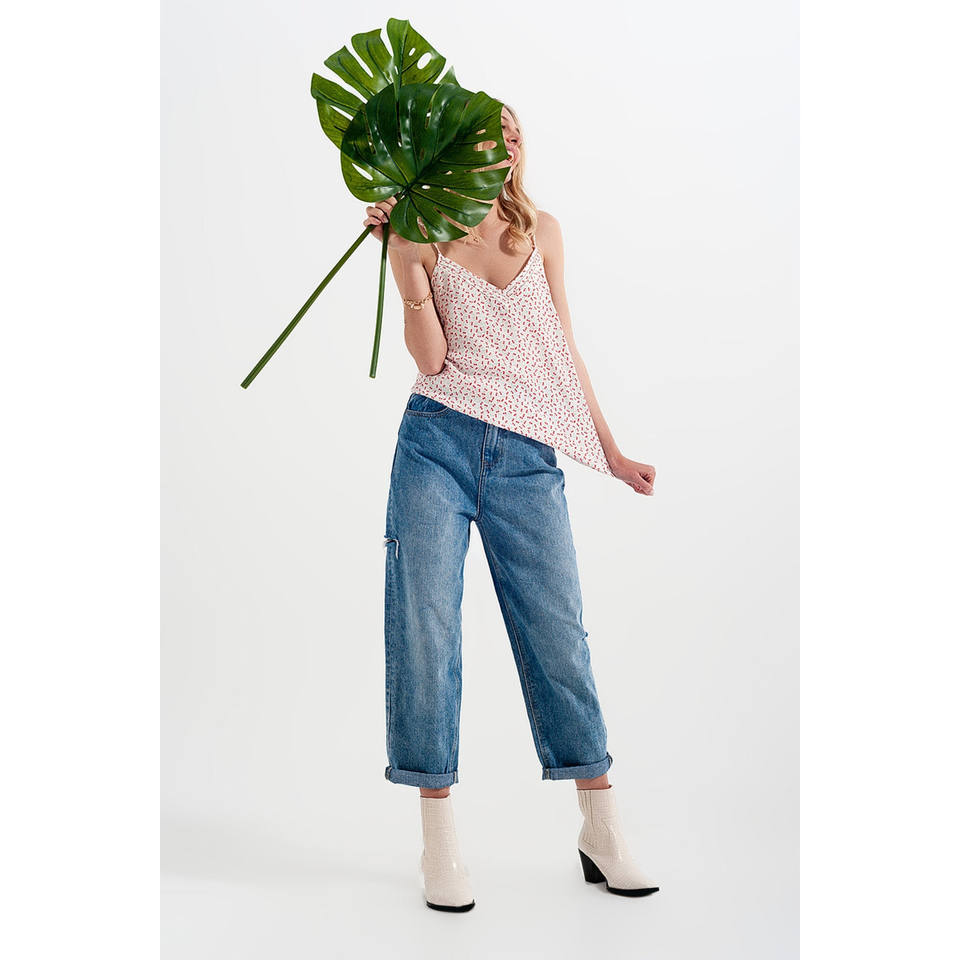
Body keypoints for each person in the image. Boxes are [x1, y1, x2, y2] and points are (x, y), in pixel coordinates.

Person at [363, 102, 659, 912]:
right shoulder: (423, 234)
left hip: (527, 459)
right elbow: (432, 359)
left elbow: (563, 352)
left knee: (558, 634)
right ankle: (439, 846)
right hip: (435, 443)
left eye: (517, 132)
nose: (509, 143)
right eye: (492, 132)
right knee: (425, 629)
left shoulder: (543, 231)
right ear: (457, 146)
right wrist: (403, 262)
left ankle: (602, 829)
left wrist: (610, 451)